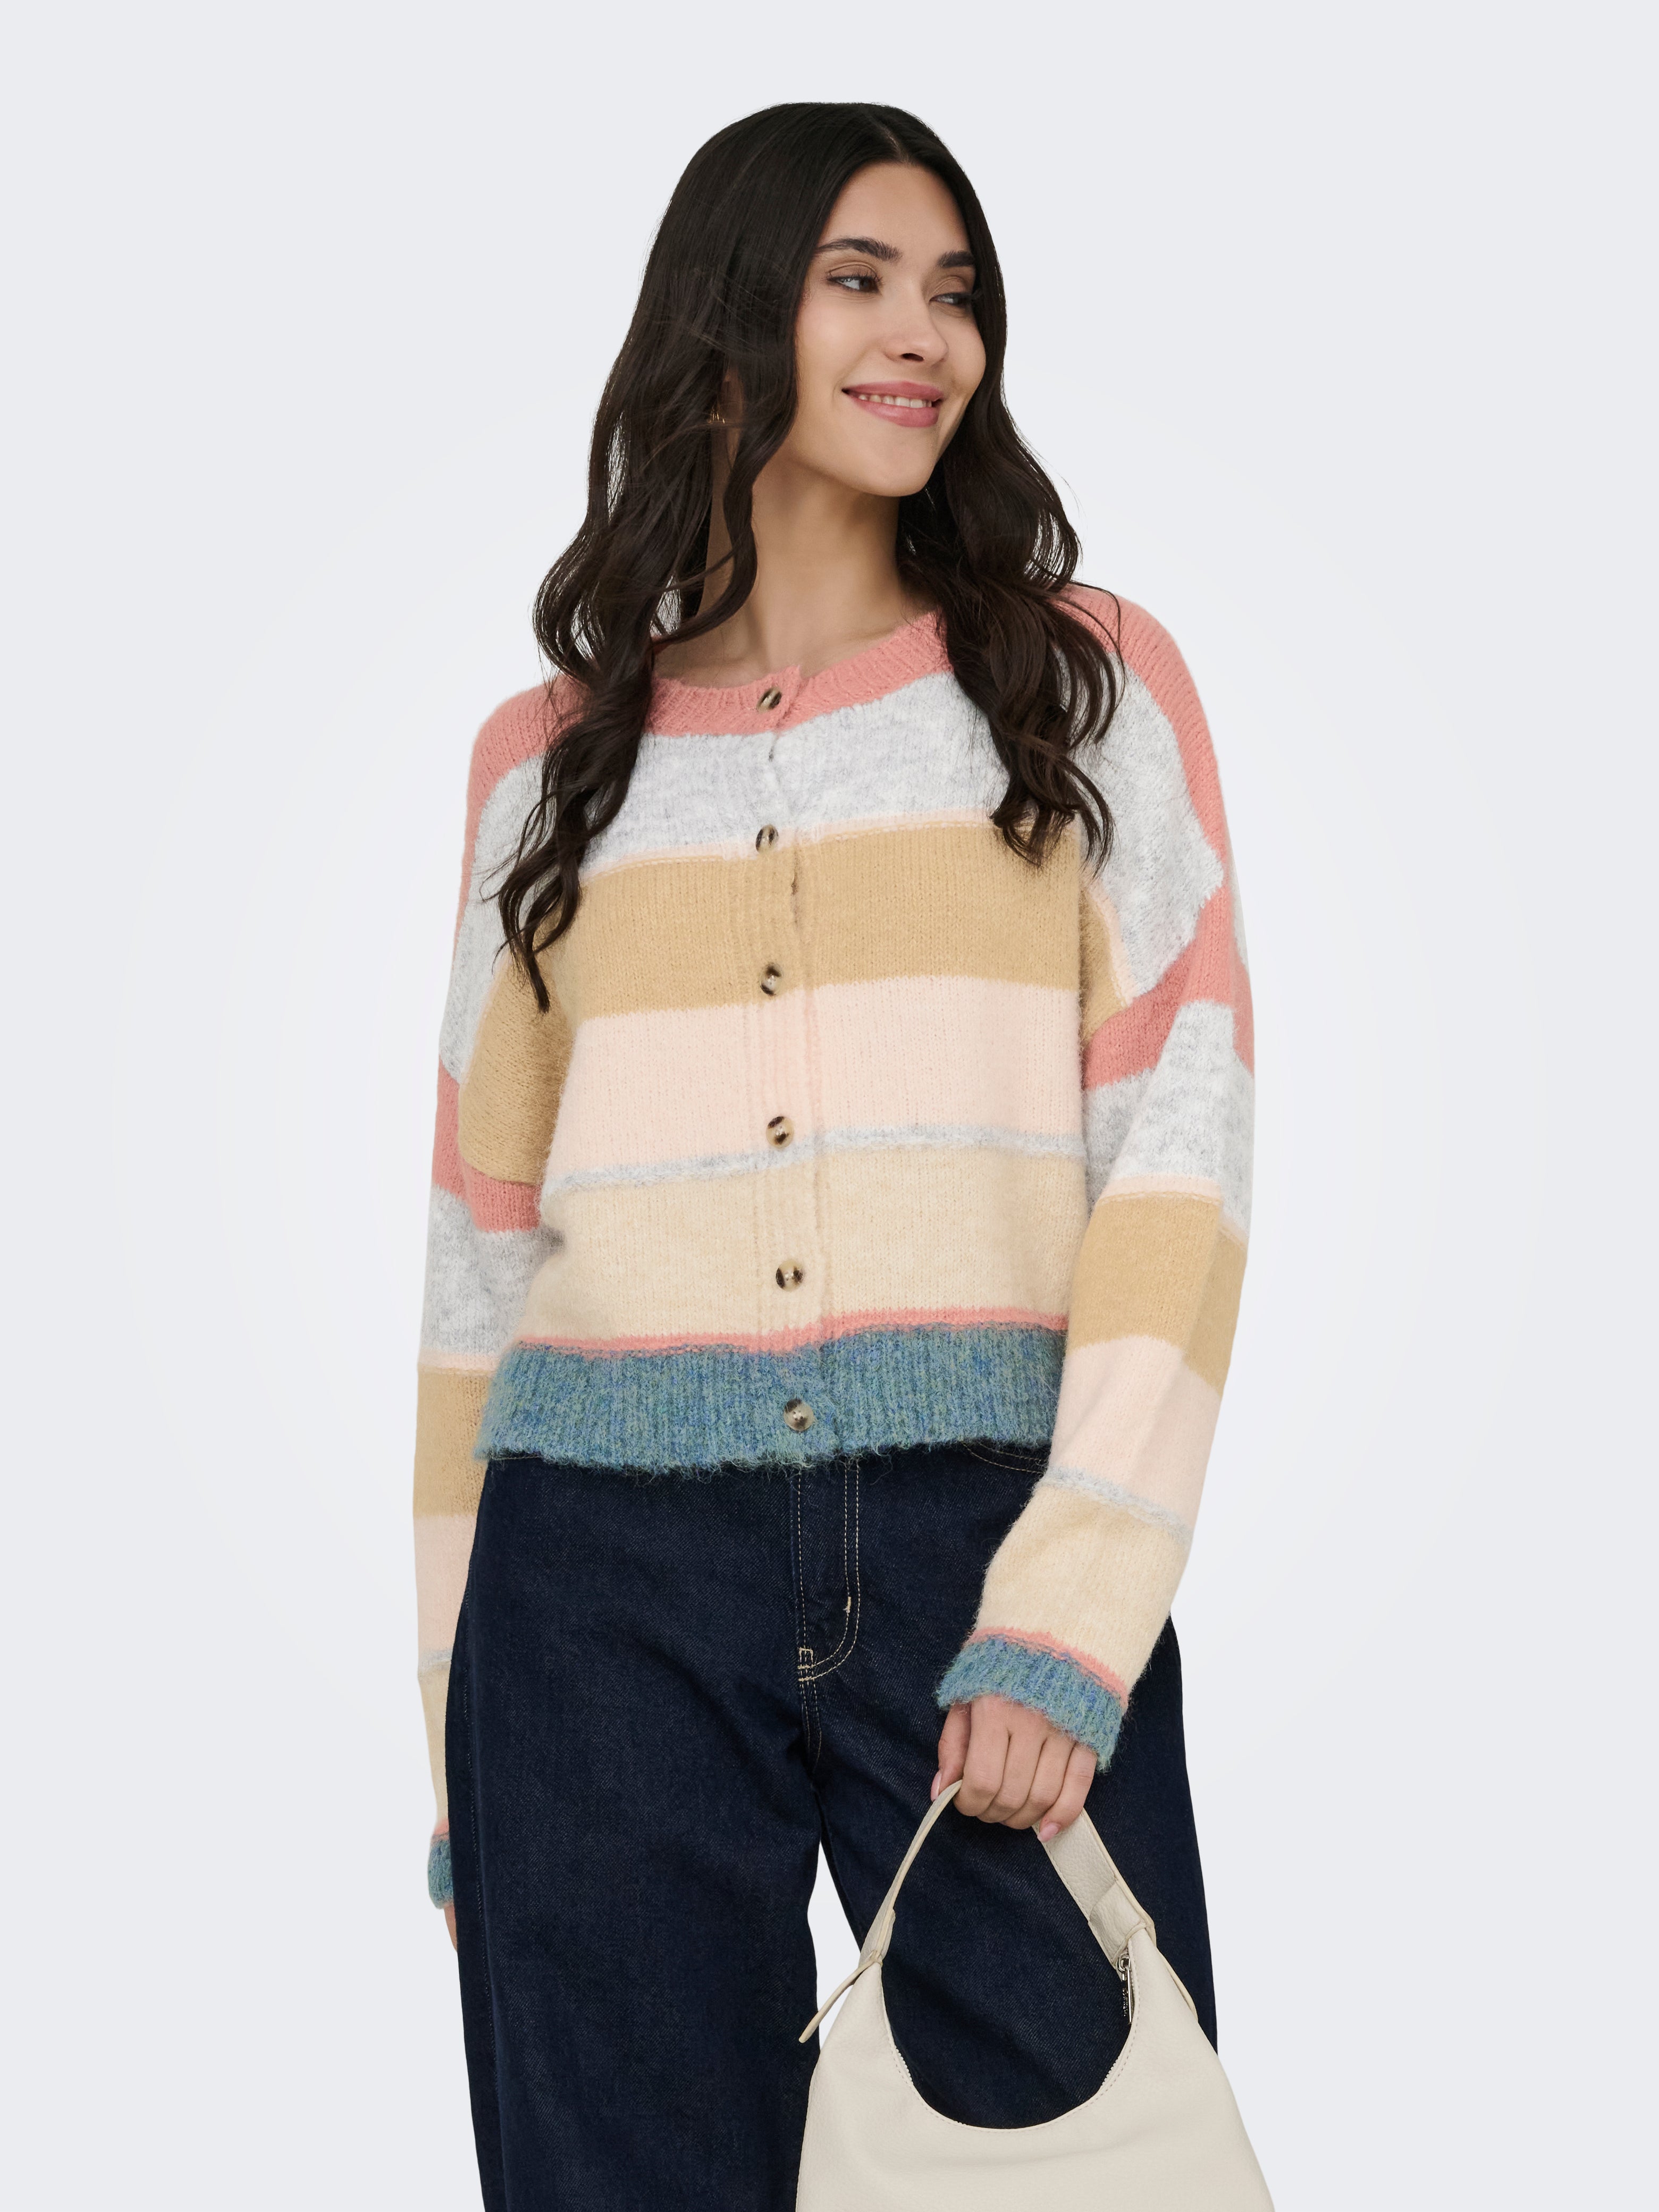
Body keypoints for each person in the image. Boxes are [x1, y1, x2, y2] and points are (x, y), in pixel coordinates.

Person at [413, 100, 1253, 2211]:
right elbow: (478, 1267)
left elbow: (1179, 1149)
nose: (922, 336)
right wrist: (456, 1742)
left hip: (986, 1539)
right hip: (596, 1591)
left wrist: (1070, 1614)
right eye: (857, 280)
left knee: (1079, 2160)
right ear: (728, 319)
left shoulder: (1079, 685)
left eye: (953, 291)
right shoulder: (547, 768)